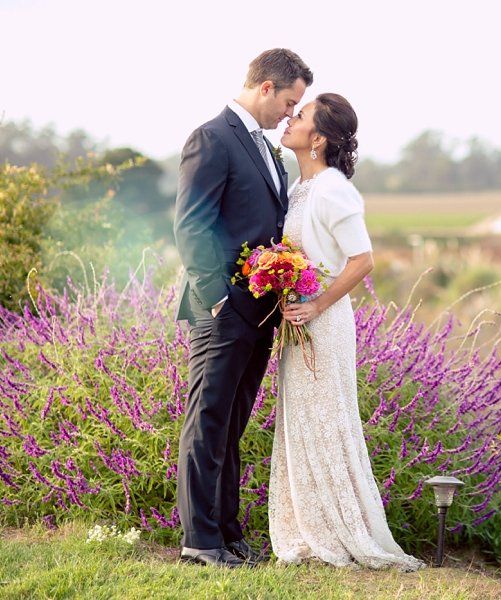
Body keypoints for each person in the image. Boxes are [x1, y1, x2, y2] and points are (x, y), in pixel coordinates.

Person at [269, 93, 425, 572]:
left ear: (317, 138)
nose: (290, 119)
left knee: (326, 420)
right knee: (301, 421)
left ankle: (339, 532)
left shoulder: (333, 187)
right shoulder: (300, 187)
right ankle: (305, 530)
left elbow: (363, 260)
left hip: (324, 322)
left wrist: (315, 303)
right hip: (299, 319)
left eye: (300, 115)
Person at [173, 48, 312, 568]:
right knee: (207, 422)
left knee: (231, 427)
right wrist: (215, 301)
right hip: (222, 311)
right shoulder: (212, 138)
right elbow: (192, 225)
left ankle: (227, 534)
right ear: (267, 88)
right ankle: (199, 541)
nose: (290, 115)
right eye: (290, 102)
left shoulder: (266, 151)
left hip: (259, 314)